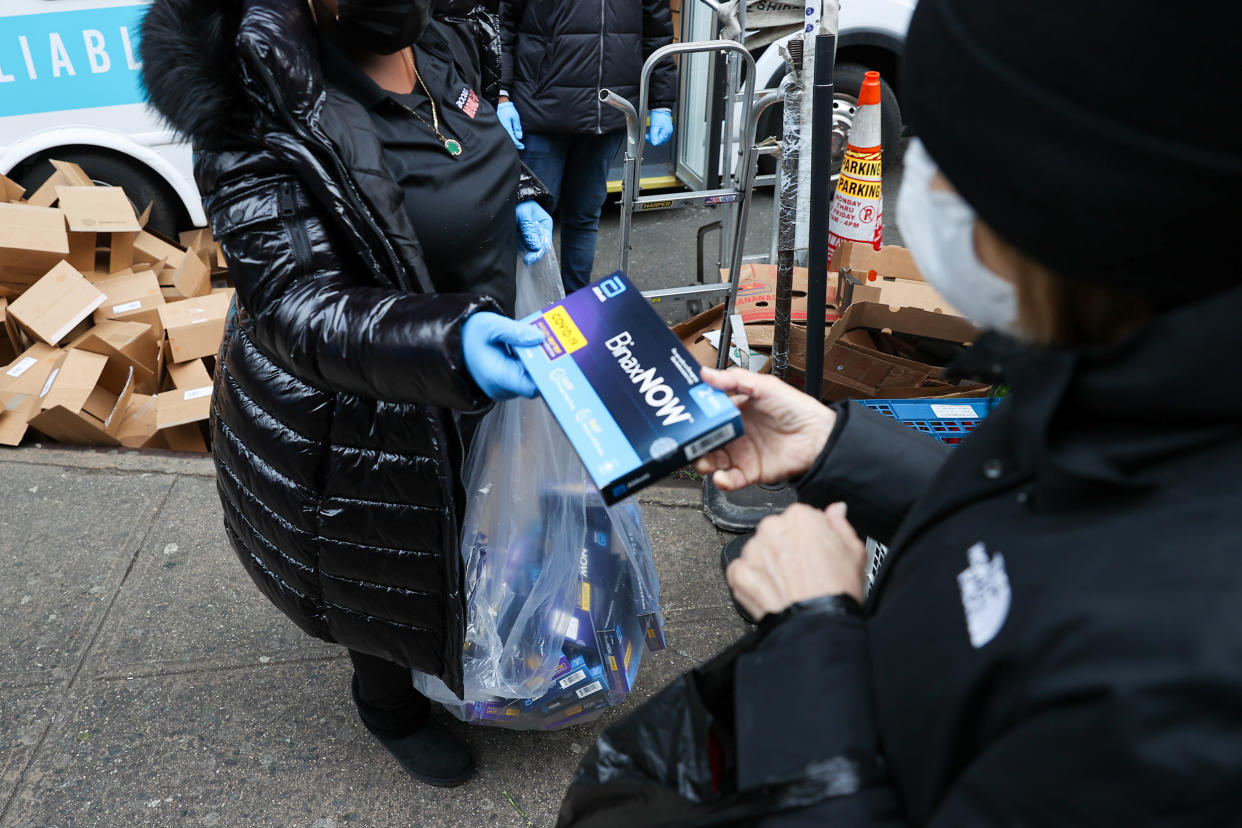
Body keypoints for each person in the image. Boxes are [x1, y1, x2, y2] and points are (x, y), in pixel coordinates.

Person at [687, 0, 1242, 822]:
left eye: (953, 168)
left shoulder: (1184, 705)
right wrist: (838, 446)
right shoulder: (1128, 378)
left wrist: (810, 642)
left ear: (1075, 215)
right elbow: (1047, 520)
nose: (929, 194)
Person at [140, 0, 555, 789]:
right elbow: (298, 301)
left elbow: (465, 139)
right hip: (357, 404)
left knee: (473, 520)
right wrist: (451, 343)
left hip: (477, 356)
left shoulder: (440, 37)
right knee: (381, 556)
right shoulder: (257, 101)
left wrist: (519, 192)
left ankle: (466, 643)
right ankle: (388, 706)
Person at [497, 0, 677, 293]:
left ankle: (576, 305)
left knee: (584, 216)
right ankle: (526, 311)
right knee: (530, 219)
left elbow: (657, 35)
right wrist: (501, 94)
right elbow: (503, 26)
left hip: (607, 114)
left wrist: (661, 103)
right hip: (541, 113)